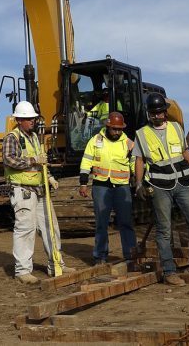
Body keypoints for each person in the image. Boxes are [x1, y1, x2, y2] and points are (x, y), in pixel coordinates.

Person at [133, 92, 189, 286]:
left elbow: (184, 151)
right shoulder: (141, 134)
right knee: (164, 231)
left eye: (160, 113)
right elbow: (139, 160)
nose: (157, 116)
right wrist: (138, 183)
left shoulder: (176, 128)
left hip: (182, 183)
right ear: (149, 114)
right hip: (159, 186)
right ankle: (169, 272)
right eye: (153, 114)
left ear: (165, 112)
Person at [3, 100, 68, 284]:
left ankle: (57, 264)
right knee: (25, 229)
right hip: (23, 190)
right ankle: (23, 270)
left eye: (32, 118)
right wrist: (33, 160)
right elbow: (9, 160)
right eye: (28, 118)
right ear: (19, 120)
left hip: (40, 189)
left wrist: (49, 177)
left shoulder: (34, 138)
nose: (32, 121)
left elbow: (42, 163)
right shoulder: (12, 138)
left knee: (51, 227)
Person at [78, 111, 136, 266]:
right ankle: (100, 257)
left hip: (122, 187)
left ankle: (130, 256)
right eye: (114, 129)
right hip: (101, 186)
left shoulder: (129, 144)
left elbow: (135, 164)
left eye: (120, 129)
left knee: (125, 222)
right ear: (108, 126)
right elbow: (86, 161)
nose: (117, 132)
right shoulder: (96, 140)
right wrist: (83, 182)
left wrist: (140, 180)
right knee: (101, 223)